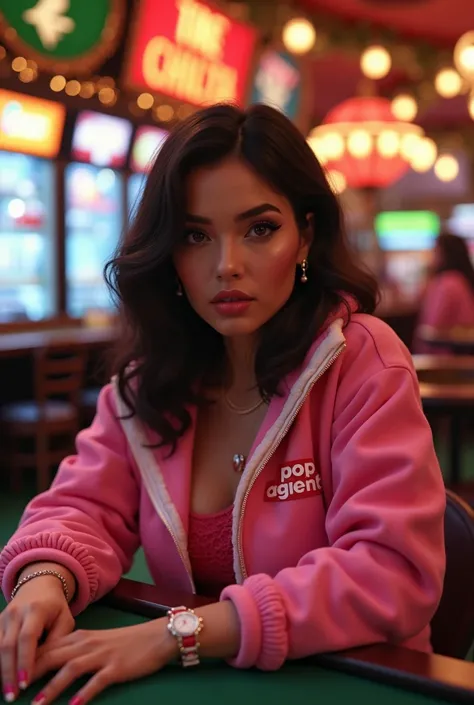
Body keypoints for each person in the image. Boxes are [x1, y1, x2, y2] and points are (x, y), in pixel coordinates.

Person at [0, 104, 445, 705]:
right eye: (194, 235)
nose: (226, 264)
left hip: (352, 680)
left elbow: (389, 574)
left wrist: (176, 635)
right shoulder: (149, 380)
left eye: (259, 228)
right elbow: (81, 505)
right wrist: (43, 581)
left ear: (305, 233)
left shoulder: (361, 357)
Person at [415, 231, 474, 351]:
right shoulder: (462, 279)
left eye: (435, 251)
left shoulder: (448, 283)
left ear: (445, 254)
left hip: (444, 356)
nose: (432, 256)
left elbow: (432, 327)